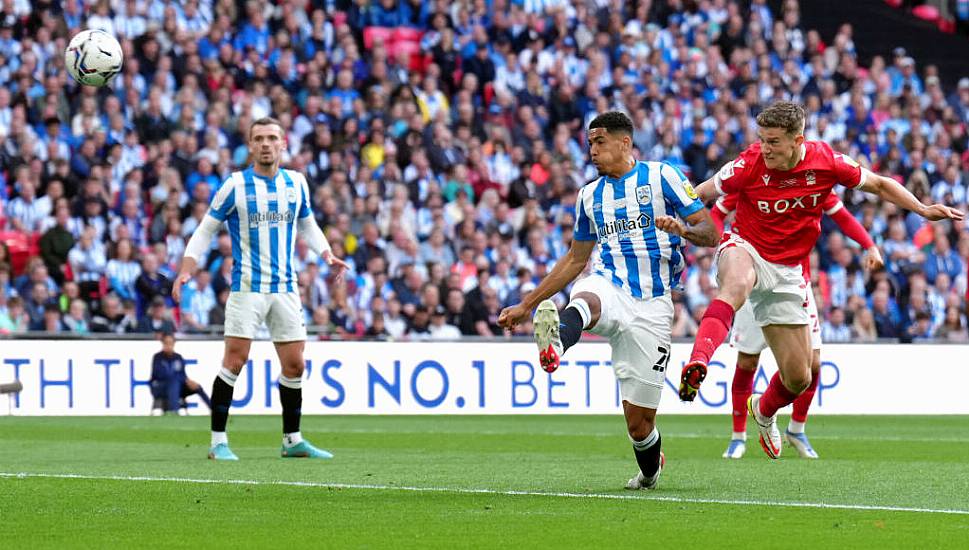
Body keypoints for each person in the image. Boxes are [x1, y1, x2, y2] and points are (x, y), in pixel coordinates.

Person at [680, 101, 962, 459]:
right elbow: (700, 193)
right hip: (746, 246)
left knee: (800, 377)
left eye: (774, 142)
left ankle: (764, 411)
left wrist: (921, 209)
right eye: (762, 140)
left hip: (789, 271)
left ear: (798, 140)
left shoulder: (826, 162)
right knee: (735, 284)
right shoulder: (748, 164)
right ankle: (699, 360)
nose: (765, 148)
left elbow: (877, 184)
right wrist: (671, 219)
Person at [498, 111, 718, 490]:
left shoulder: (662, 177)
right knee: (586, 296)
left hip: (653, 304)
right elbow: (575, 259)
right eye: (590, 144)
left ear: (625, 143)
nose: (593, 151)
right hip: (610, 282)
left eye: (599, 143)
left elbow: (711, 231)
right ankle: (555, 343)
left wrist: (683, 229)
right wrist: (527, 304)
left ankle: (650, 468)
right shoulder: (589, 196)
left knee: (639, 424)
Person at [174, 117, 349, 461]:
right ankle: (217, 443)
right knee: (235, 362)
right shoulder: (235, 185)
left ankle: (292, 440)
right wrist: (186, 267)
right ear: (250, 146)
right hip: (247, 288)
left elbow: (307, 224)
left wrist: (327, 253)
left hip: (285, 287)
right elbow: (206, 230)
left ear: (284, 144)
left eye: (272, 138)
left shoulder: (296, 183)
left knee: (295, 365)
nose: (266, 144)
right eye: (259, 139)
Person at [711, 190, 883, 459]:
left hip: (795, 283)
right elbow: (718, 211)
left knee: (812, 364)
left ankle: (797, 429)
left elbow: (844, 217)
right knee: (747, 361)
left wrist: (869, 244)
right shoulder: (753, 177)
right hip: (753, 282)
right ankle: (738, 437)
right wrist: (726, 251)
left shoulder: (812, 180)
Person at [150, 332, 211, 415]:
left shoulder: (178, 357)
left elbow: (183, 374)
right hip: (161, 387)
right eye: (166, 343)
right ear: (163, 344)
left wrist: (188, 381)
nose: (168, 346)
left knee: (196, 386)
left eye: (170, 343)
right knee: (173, 381)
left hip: (177, 386)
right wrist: (178, 378)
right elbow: (158, 375)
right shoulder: (157, 357)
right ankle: (174, 410)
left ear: (174, 344)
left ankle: (214, 410)